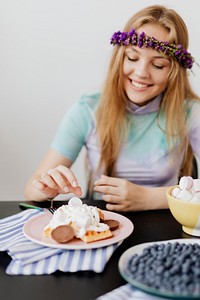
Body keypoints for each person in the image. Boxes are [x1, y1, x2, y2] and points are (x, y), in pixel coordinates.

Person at [24, 4, 200, 211]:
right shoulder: (87, 109)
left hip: (165, 228)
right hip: (101, 224)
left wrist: (150, 198)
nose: (141, 72)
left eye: (158, 65)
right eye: (132, 58)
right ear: (120, 58)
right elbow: (31, 190)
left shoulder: (191, 113)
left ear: (174, 72)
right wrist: (46, 189)